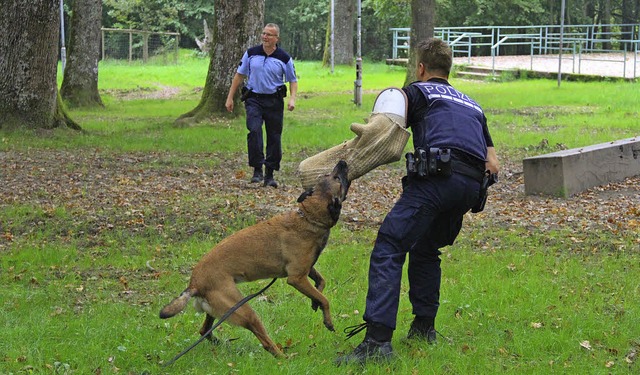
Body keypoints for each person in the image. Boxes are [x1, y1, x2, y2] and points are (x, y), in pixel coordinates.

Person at [336, 38, 500, 365]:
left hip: (437, 177)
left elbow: (382, 131)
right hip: (470, 188)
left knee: (390, 245)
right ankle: (424, 327)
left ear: (421, 68)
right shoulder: (472, 105)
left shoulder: (416, 91)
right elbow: (492, 161)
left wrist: (344, 167)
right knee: (426, 247)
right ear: (448, 70)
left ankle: (377, 342)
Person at [225, 23, 298, 188]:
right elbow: (239, 75)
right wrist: (230, 98)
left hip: (274, 101)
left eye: (269, 35)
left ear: (276, 38)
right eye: (264, 34)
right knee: (254, 130)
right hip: (254, 99)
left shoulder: (284, 58)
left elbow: (293, 80)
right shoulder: (251, 54)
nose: (265, 37)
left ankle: (269, 174)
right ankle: (257, 169)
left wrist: (292, 99)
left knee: (274, 137)